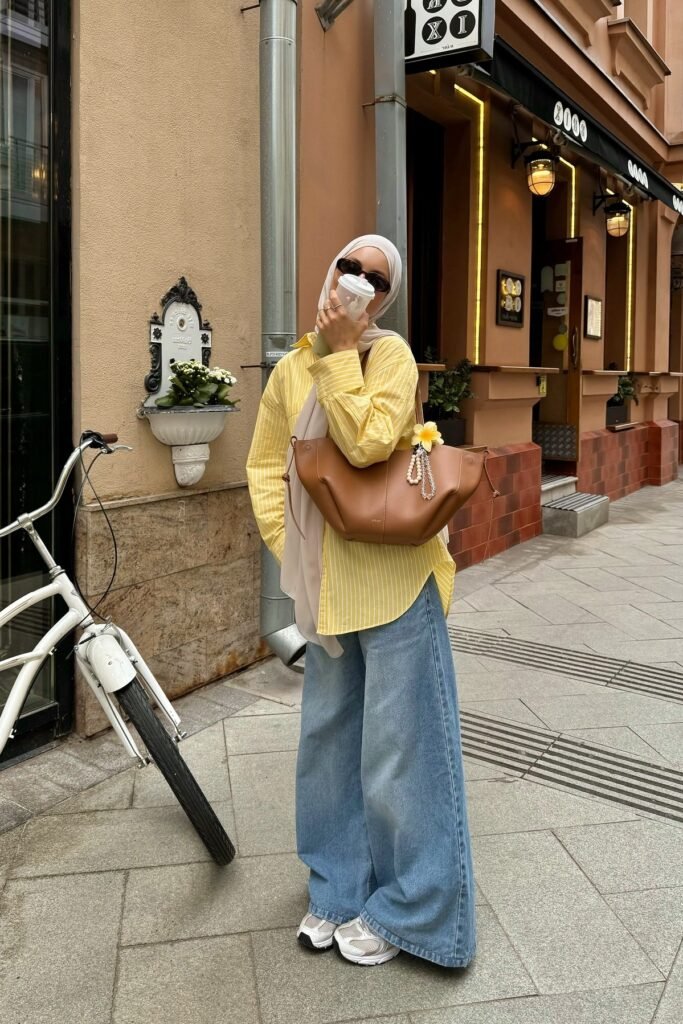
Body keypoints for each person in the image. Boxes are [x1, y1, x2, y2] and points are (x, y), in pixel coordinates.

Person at [246, 234, 476, 969]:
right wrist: (295, 550)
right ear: (329, 269)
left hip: (396, 582)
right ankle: (338, 887)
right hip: (327, 592)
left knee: (401, 754)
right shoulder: (289, 369)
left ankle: (417, 910)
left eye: (376, 280)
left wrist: (343, 351)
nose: (358, 283)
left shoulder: (391, 356)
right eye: (350, 266)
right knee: (326, 751)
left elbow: (372, 444)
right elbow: (264, 467)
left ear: (384, 299)